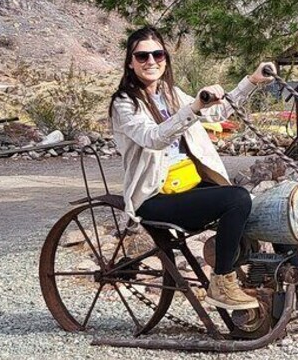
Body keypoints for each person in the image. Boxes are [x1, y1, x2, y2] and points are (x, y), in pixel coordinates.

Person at [109, 26, 276, 311]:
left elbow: (217, 112)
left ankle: (290, 277)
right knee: (236, 199)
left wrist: (252, 81)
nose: (151, 61)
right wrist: (194, 106)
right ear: (130, 62)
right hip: (155, 197)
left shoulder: (170, 93)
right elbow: (154, 138)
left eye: (158, 54)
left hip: (188, 185)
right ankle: (222, 282)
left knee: (265, 203)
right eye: (142, 56)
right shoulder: (125, 104)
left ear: (165, 58)